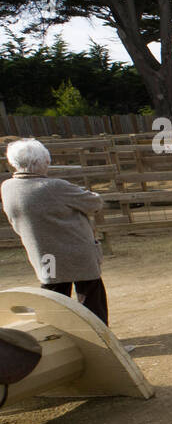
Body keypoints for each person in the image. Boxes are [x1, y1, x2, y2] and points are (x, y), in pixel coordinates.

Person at [1, 137, 110, 324]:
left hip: (43, 253)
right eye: (46, 159)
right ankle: (103, 343)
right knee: (91, 299)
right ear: (42, 161)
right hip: (77, 253)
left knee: (54, 301)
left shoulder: (8, 187)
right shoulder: (54, 187)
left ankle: (63, 340)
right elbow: (94, 202)